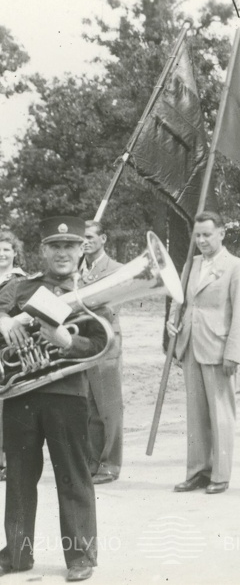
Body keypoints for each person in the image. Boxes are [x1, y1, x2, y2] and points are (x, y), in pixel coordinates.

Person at [0, 216, 111, 582]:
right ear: (43, 250)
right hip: (20, 395)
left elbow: (107, 343)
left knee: (73, 475)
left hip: (67, 394)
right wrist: (4, 321)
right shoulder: (20, 287)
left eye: (70, 246)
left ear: (82, 249)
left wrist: (69, 342)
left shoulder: (94, 291)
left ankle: (80, 557)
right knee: (18, 477)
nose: (63, 253)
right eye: (55, 246)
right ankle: (16, 553)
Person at [167, 211, 240, 495]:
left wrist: (234, 352)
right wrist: (172, 320)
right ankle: (197, 472)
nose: (202, 240)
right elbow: (180, 299)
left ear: (222, 233)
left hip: (219, 349)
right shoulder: (191, 264)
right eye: (198, 235)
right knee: (196, 415)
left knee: (221, 414)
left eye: (207, 234)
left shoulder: (237, 266)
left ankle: (221, 474)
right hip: (191, 344)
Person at [80, 220, 124, 485]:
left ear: (104, 239)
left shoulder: (116, 270)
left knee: (109, 405)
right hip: (83, 341)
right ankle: (92, 461)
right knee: (88, 404)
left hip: (106, 339)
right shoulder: (76, 269)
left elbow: (116, 306)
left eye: (89, 237)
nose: (84, 242)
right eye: (81, 238)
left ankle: (110, 463)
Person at [0, 231, 26, 483]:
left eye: (6, 249)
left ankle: (7, 461)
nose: (1, 253)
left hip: (6, 351)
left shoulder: (17, 281)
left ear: (15, 253)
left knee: (7, 405)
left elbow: (5, 310)